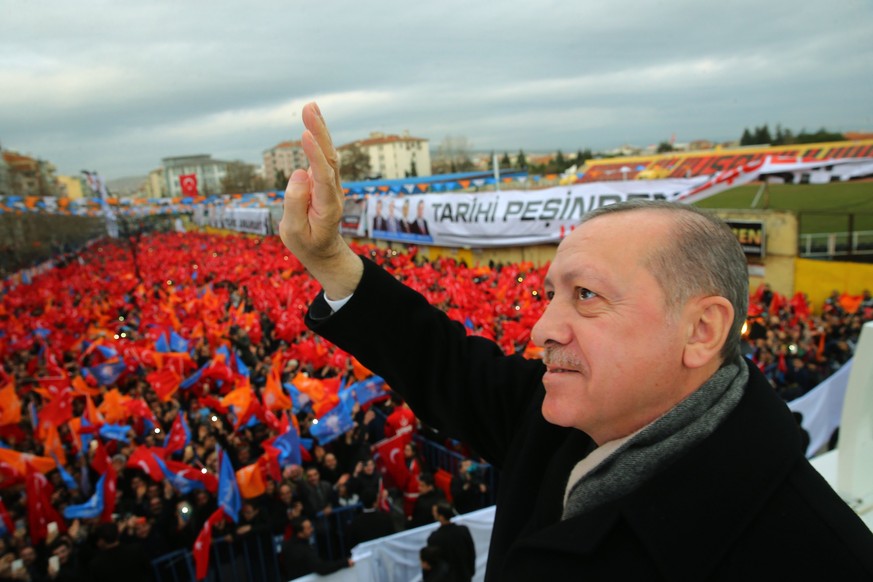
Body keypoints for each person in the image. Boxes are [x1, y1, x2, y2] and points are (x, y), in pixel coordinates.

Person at [278, 102, 873, 580]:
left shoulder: (818, 555)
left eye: (586, 295)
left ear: (701, 331)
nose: (541, 329)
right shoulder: (558, 420)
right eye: (550, 294)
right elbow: (441, 361)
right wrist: (331, 260)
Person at [426, 501, 476, 582]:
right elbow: (471, 552)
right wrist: (470, 572)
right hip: (464, 575)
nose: (433, 514)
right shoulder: (463, 530)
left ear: (441, 516)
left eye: (435, 512)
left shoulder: (434, 538)